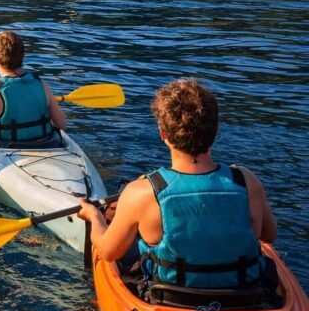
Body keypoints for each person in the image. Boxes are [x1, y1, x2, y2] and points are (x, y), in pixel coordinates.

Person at [78, 78, 276, 289]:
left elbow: (108, 252)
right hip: (245, 293)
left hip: (171, 298)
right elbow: (269, 235)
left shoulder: (140, 192)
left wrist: (94, 216)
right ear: (216, 130)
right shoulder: (246, 181)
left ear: (163, 133)